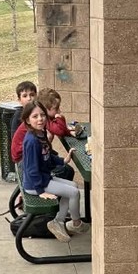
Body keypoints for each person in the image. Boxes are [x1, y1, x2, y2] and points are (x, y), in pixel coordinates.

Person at [18, 100, 87, 243]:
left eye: (42, 115)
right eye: (35, 116)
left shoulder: (40, 134)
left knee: (73, 187)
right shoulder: (31, 141)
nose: (40, 119)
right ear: (27, 120)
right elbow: (31, 169)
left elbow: (47, 156)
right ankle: (76, 223)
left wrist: (63, 161)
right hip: (36, 184)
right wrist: (40, 191)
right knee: (74, 193)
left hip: (44, 179)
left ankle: (59, 221)